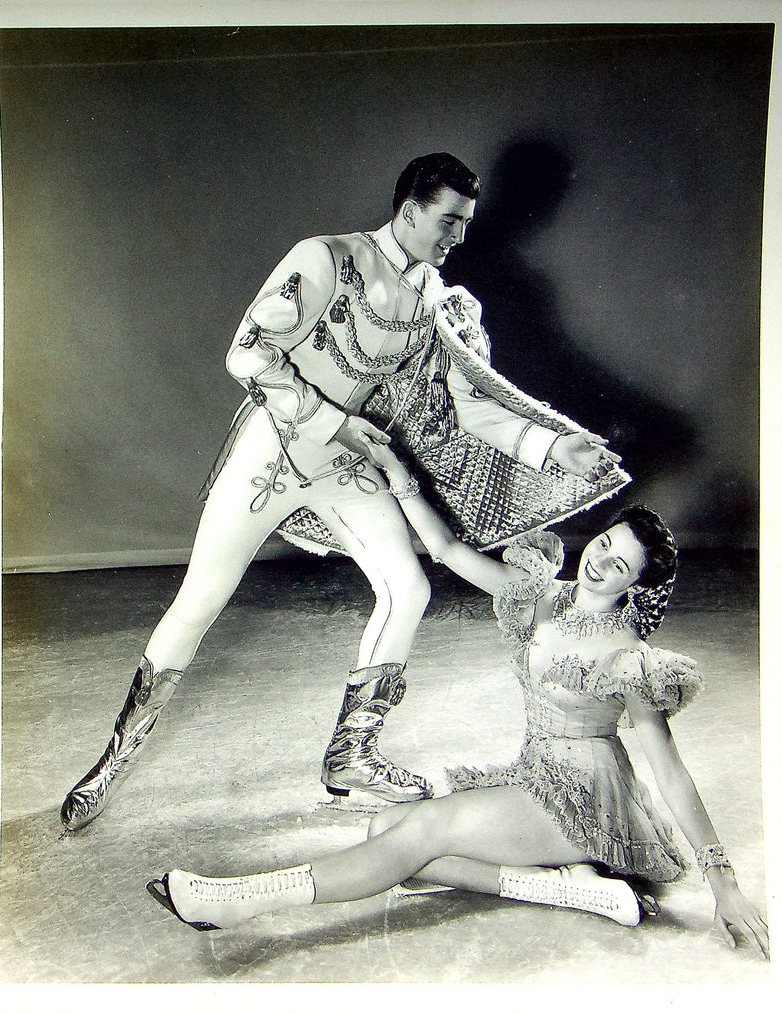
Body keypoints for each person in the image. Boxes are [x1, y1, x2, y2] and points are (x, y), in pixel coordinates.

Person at [61, 152, 622, 831]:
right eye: (447, 220)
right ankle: (112, 760)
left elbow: (468, 404)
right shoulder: (327, 258)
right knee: (201, 598)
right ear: (409, 208)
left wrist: (552, 445)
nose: (457, 238)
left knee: (408, 588)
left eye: (467, 225)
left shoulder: (438, 301)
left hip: (346, 466)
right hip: (273, 448)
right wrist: (337, 423)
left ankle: (351, 754)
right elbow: (246, 353)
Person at [145, 445, 768, 956]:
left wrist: (725, 882)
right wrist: (401, 482)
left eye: (620, 566)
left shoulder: (628, 657)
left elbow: (670, 771)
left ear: (636, 587)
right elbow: (447, 553)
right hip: (535, 776)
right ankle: (571, 891)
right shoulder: (543, 598)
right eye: (605, 544)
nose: (601, 563)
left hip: (585, 803)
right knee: (385, 827)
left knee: (422, 833)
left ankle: (240, 902)